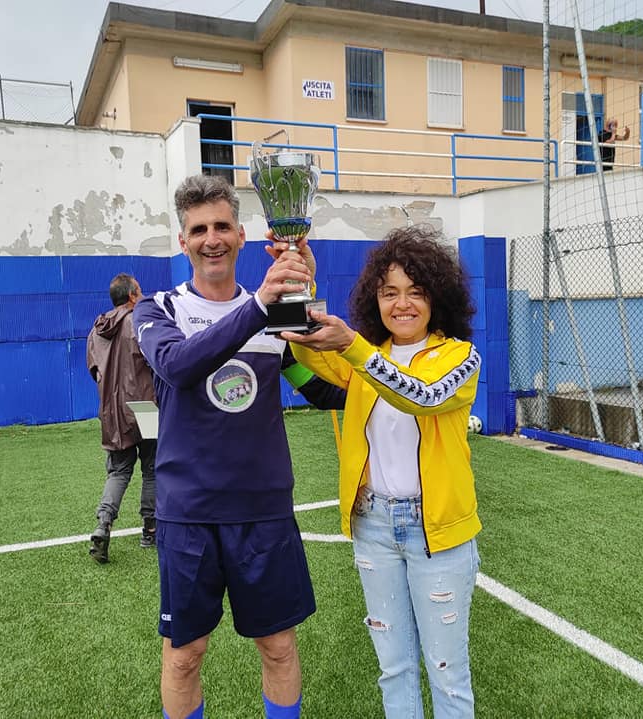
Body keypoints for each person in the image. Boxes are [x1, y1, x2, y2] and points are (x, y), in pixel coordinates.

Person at [133, 174, 345, 719]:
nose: (212, 239)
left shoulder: (276, 317)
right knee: (184, 656)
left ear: (241, 235)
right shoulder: (157, 310)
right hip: (189, 513)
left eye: (222, 226)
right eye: (199, 229)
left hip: (263, 510)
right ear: (183, 241)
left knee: (278, 647)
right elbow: (178, 367)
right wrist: (260, 309)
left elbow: (323, 388)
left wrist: (303, 293)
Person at [284, 224, 483, 719]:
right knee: (393, 669)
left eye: (416, 291)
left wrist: (355, 346)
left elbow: (422, 395)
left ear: (438, 297)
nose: (402, 304)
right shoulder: (368, 356)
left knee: (447, 673)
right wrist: (302, 284)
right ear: (375, 299)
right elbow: (305, 351)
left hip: (438, 532)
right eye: (389, 292)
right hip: (372, 524)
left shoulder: (460, 357)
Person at [86, 273, 157, 563]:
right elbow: (157, 361)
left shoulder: (96, 331)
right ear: (131, 296)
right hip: (145, 407)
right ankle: (150, 530)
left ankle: (103, 525)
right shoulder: (140, 321)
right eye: (140, 290)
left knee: (118, 472)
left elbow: (94, 371)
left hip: (112, 411)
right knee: (153, 468)